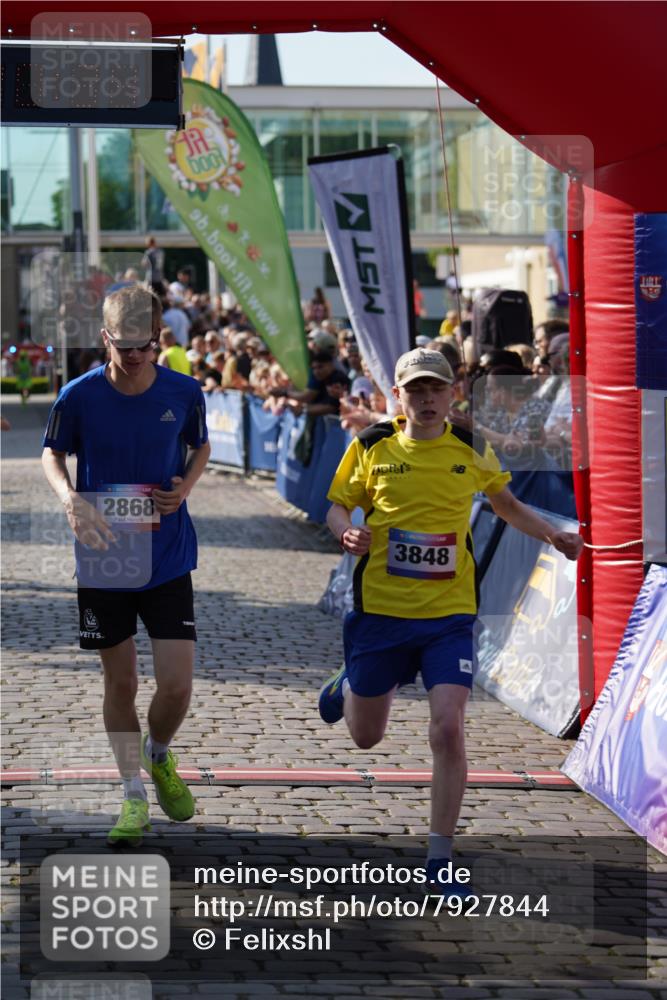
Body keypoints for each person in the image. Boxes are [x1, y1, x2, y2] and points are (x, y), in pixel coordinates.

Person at [319, 347, 583, 894]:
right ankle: (350, 683)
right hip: (382, 613)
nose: (427, 398)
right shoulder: (370, 446)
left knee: (447, 726)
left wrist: (552, 535)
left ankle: (440, 859)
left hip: (449, 615)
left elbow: (504, 503)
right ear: (398, 395)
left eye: (436, 388)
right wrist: (345, 530)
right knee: (366, 737)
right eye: (415, 390)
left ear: (453, 393)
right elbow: (336, 506)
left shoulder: (471, 445)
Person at [41, 284, 211, 847]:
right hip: (105, 552)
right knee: (122, 681)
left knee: (177, 685)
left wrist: (185, 487)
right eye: (124, 346)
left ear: (159, 340)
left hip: (165, 552)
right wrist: (70, 500)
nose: (135, 356)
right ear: (105, 337)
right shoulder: (79, 395)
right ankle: (132, 797)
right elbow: (52, 452)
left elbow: (199, 446)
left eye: (145, 346)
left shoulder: (184, 392)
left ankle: (158, 753)